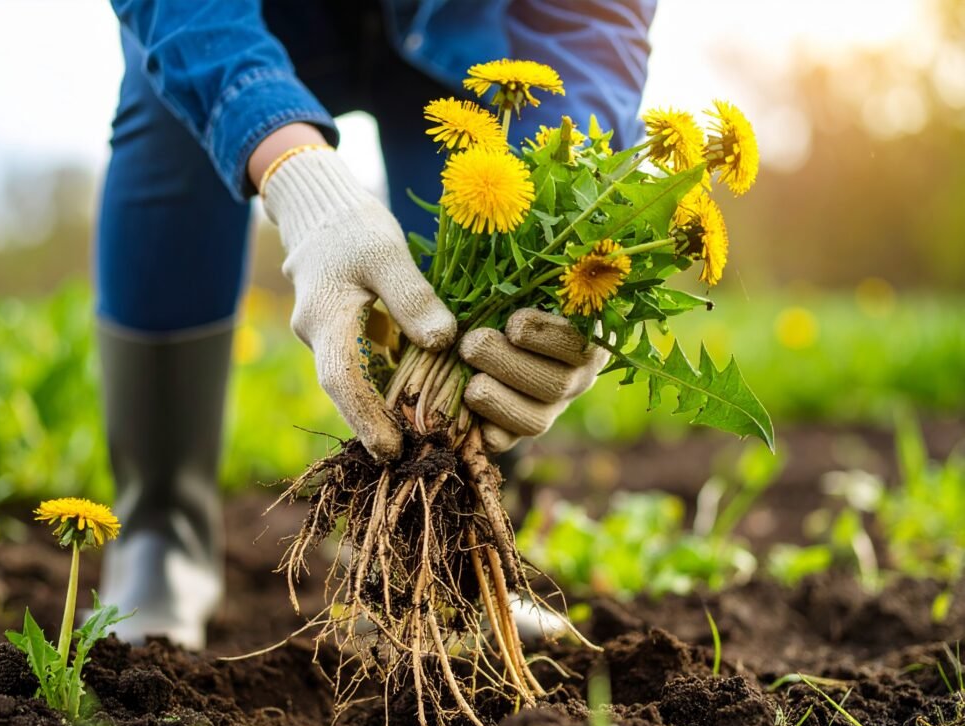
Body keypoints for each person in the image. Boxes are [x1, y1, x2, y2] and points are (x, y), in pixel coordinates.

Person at [98, 0, 658, 648]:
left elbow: (593, 20)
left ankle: (456, 557)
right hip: (256, 19)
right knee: (172, 104)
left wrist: (573, 242)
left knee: (496, 259)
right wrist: (290, 166)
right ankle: (159, 532)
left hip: (462, 28)